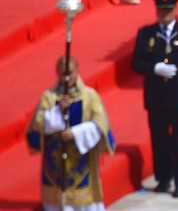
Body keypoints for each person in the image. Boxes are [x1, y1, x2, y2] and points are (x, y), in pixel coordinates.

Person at [131, 0, 178, 198]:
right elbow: (136, 63)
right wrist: (153, 68)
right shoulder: (146, 34)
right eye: (161, 10)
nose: (164, 14)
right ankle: (163, 179)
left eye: (168, 10)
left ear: (175, 10)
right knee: (160, 140)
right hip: (157, 97)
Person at [26, 56, 115, 211]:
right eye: (63, 74)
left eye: (70, 73)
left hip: (82, 165)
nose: (67, 78)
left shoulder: (89, 96)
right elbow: (37, 123)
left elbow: (101, 123)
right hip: (56, 166)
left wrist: (76, 133)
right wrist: (57, 111)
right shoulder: (49, 97)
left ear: (77, 72)